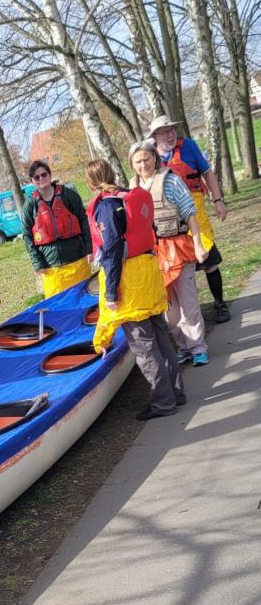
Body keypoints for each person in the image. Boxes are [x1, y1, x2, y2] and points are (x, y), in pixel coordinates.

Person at [85, 159, 185, 420]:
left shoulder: (106, 205)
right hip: (148, 273)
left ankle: (163, 403)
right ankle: (176, 392)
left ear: (91, 183)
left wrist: (111, 292)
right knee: (160, 336)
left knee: (144, 346)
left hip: (131, 282)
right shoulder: (128, 196)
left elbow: (112, 250)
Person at [129, 140, 209, 367]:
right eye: (138, 161)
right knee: (169, 310)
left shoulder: (171, 181)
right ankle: (183, 346)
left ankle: (198, 347)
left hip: (178, 247)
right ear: (132, 165)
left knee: (188, 304)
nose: (143, 165)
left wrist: (198, 244)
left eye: (146, 159)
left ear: (155, 158)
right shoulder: (132, 188)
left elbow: (190, 213)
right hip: (153, 256)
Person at [147, 114, 231, 323]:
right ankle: (190, 313)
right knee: (179, 267)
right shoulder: (149, 156)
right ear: (154, 137)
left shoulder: (189, 146)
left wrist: (218, 200)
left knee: (209, 260)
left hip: (195, 209)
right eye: (164, 132)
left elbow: (208, 173)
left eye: (171, 130)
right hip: (167, 217)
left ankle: (220, 304)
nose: (170, 135)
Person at [22, 160, 92, 298]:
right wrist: (37, 263)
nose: (41, 179)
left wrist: (89, 249)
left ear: (50, 175)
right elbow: (27, 235)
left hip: (77, 260)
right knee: (59, 305)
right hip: (51, 267)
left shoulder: (68, 195)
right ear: (32, 181)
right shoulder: (30, 205)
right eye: (36, 177)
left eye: (44, 174)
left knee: (84, 301)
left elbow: (84, 221)